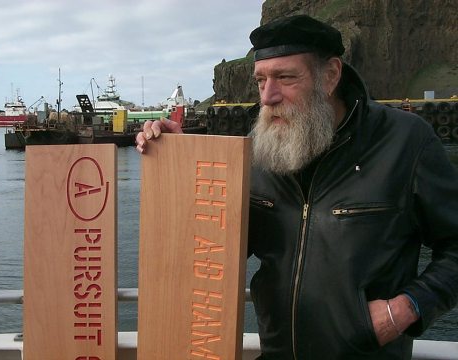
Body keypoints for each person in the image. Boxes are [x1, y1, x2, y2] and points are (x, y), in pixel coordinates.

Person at [135, 15, 458, 359]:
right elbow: (217, 246)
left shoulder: (406, 141)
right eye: (260, 81)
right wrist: (183, 167)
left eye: (285, 77)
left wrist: (407, 307)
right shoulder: (258, 149)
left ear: (330, 75)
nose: (268, 96)